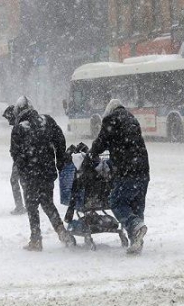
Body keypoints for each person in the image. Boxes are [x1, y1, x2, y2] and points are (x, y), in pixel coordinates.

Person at [10, 96, 76, 251]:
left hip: (30, 174)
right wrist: (59, 160)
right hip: (47, 171)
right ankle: (61, 231)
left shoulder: (19, 128)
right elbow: (60, 140)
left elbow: (15, 154)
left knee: (32, 207)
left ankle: (36, 239)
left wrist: (23, 170)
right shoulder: (46, 121)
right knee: (47, 202)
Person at [89, 99, 150, 254]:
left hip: (127, 170)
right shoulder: (132, 119)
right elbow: (129, 145)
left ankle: (135, 226)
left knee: (116, 201)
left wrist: (92, 153)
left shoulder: (111, 119)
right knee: (136, 206)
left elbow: (100, 144)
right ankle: (136, 241)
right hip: (143, 170)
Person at [2, 105, 27, 215]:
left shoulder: (19, 127)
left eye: (9, 119)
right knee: (22, 182)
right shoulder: (22, 125)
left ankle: (21, 205)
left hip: (21, 160)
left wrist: (16, 156)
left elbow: (17, 147)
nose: (9, 122)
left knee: (17, 181)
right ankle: (26, 204)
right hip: (22, 159)